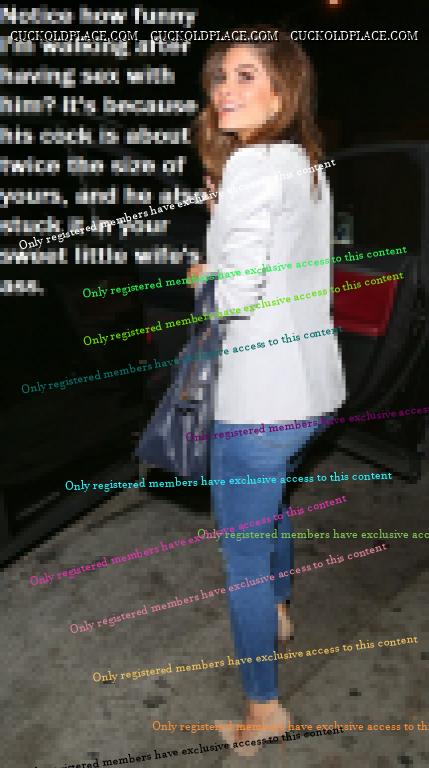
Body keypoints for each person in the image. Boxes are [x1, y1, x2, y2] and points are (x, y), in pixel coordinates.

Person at [190, 28, 346, 757]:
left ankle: (263, 709)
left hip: (258, 400)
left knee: (241, 559)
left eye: (246, 75)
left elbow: (236, 292)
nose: (226, 89)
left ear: (282, 90)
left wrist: (202, 277)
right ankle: (280, 611)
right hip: (313, 389)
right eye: (221, 75)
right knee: (273, 501)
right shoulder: (304, 164)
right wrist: (222, 210)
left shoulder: (255, 165)